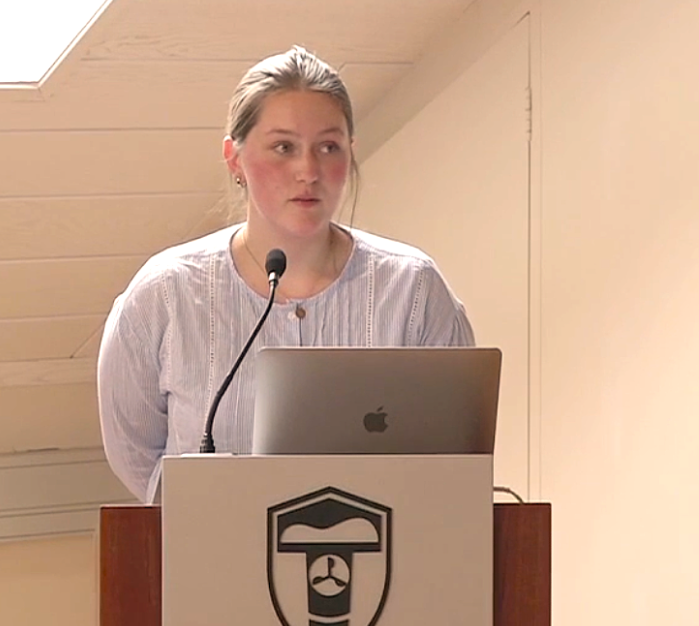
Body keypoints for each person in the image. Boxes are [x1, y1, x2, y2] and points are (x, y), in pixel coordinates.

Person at [97, 46, 475, 503]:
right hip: (216, 544)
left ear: (350, 153)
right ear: (234, 158)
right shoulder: (165, 294)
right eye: (283, 148)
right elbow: (138, 458)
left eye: (328, 147)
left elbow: (457, 455)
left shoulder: (413, 289)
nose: (308, 171)